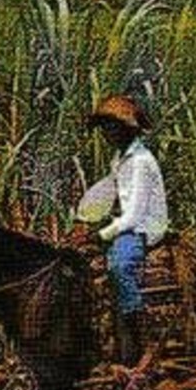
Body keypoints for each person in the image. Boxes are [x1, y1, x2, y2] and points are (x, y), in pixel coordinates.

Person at [73, 95, 169, 366]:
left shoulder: (140, 161)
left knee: (119, 266)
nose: (106, 133)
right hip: (127, 222)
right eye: (104, 127)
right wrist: (84, 218)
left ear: (127, 129)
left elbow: (134, 215)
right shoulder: (121, 158)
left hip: (143, 227)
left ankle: (141, 330)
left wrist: (101, 235)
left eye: (111, 127)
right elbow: (107, 191)